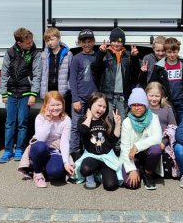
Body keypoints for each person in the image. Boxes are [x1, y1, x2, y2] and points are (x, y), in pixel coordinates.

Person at [0, 27, 42, 163]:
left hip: (26, 93)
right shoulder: (10, 52)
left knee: (22, 122)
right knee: (9, 122)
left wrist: (33, 94)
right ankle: (7, 150)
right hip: (11, 92)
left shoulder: (35, 53)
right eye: (28, 43)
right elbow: (4, 73)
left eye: (31, 41)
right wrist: (4, 93)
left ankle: (19, 148)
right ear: (20, 43)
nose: (31, 44)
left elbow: (37, 74)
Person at [22, 91, 73, 188]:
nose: (55, 108)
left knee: (55, 172)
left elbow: (65, 141)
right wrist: (48, 121)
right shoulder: (40, 118)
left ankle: (44, 167)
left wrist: (66, 162)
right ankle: (37, 173)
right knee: (40, 146)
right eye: (52, 105)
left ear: (63, 104)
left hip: (54, 149)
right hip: (40, 147)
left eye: (58, 104)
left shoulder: (66, 119)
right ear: (46, 106)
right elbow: (40, 139)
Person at [75, 92, 122, 190]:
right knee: (85, 169)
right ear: (91, 104)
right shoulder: (83, 120)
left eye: (104, 107)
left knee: (111, 186)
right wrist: (89, 117)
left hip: (106, 157)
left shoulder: (106, 121)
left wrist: (117, 125)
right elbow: (83, 131)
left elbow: (113, 139)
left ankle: (99, 173)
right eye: (99, 105)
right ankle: (90, 175)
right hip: (91, 156)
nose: (101, 109)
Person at [141, 37, 183, 123]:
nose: (172, 55)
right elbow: (152, 84)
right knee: (170, 125)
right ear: (166, 52)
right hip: (167, 102)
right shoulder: (159, 67)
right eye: (169, 52)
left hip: (182, 101)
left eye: (174, 52)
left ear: (178, 51)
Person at [119, 88, 163, 190]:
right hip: (131, 156)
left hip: (146, 154)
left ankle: (148, 173)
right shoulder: (127, 122)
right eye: (133, 105)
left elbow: (157, 138)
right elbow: (125, 147)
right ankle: (138, 169)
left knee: (156, 149)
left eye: (140, 104)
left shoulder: (153, 117)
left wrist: (137, 146)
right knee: (131, 185)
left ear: (145, 105)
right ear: (130, 106)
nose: (137, 108)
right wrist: (131, 170)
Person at [92, 27, 140, 119]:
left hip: (123, 97)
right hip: (107, 96)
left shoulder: (128, 55)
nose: (116, 44)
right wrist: (100, 53)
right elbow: (95, 68)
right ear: (110, 41)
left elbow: (135, 74)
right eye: (114, 41)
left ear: (123, 42)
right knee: (107, 123)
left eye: (119, 41)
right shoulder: (104, 54)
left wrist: (134, 58)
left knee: (122, 123)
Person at [68, 29, 97, 157]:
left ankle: (88, 149)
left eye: (89, 41)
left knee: (91, 125)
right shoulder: (76, 58)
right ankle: (74, 151)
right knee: (76, 125)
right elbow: (72, 80)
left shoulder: (97, 57)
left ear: (93, 42)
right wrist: (75, 99)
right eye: (84, 42)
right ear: (79, 43)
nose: (87, 45)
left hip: (93, 98)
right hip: (79, 98)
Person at [145, 81, 178, 179]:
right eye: (151, 95)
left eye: (157, 96)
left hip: (164, 141)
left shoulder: (167, 108)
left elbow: (172, 128)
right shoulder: (143, 108)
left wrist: (164, 142)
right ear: (146, 94)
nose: (154, 99)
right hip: (147, 140)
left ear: (161, 96)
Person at [40, 26, 72, 100]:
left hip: (62, 91)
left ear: (59, 38)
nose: (50, 42)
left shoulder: (68, 54)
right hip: (48, 91)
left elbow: (71, 72)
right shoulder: (44, 55)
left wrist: (68, 87)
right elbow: (41, 73)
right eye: (47, 41)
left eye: (52, 39)